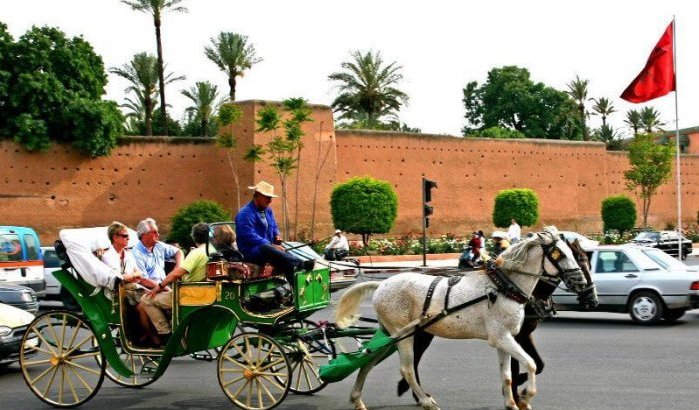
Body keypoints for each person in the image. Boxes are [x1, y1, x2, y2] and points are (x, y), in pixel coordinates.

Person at [141, 223, 213, 344]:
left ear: (194, 237)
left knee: (146, 299)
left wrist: (160, 286)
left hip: (189, 295)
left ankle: (165, 332)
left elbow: (176, 274)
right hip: (207, 294)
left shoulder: (197, 253)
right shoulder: (213, 250)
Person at [235, 181, 314, 286]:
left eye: (270, 198)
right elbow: (248, 235)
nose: (270, 201)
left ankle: (297, 291)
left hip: (268, 250)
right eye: (267, 197)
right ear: (257, 195)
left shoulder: (268, 211)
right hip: (251, 251)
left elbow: (274, 226)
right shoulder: (245, 214)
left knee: (287, 263)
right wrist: (271, 245)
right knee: (265, 247)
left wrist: (276, 235)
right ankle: (299, 263)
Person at [101, 222, 158, 346]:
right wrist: (132, 276)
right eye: (125, 236)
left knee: (155, 298)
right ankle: (149, 337)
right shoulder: (108, 256)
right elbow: (117, 278)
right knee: (145, 305)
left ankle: (149, 336)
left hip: (132, 289)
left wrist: (159, 286)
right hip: (117, 292)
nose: (128, 239)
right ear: (115, 237)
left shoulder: (128, 254)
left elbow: (139, 273)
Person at [132, 218, 184, 282]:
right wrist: (163, 287)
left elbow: (179, 252)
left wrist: (177, 267)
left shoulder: (159, 245)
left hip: (163, 285)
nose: (158, 234)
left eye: (157, 232)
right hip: (150, 289)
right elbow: (143, 280)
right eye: (154, 232)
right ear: (143, 235)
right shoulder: (136, 253)